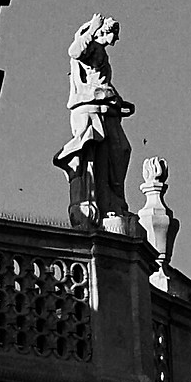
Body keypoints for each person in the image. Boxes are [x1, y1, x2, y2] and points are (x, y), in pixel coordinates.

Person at [52, 14, 133, 227]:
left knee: (120, 151)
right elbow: (74, 52)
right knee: (95, 157)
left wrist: (119, 102)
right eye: (114, 34)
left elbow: (101, 83)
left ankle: (113, 204)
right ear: (104, 32)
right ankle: (99, 207)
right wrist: (91, 29)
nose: (116, 39)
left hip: (107, 111)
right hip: (87, 109)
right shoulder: (89, 45)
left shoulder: (102, 52)